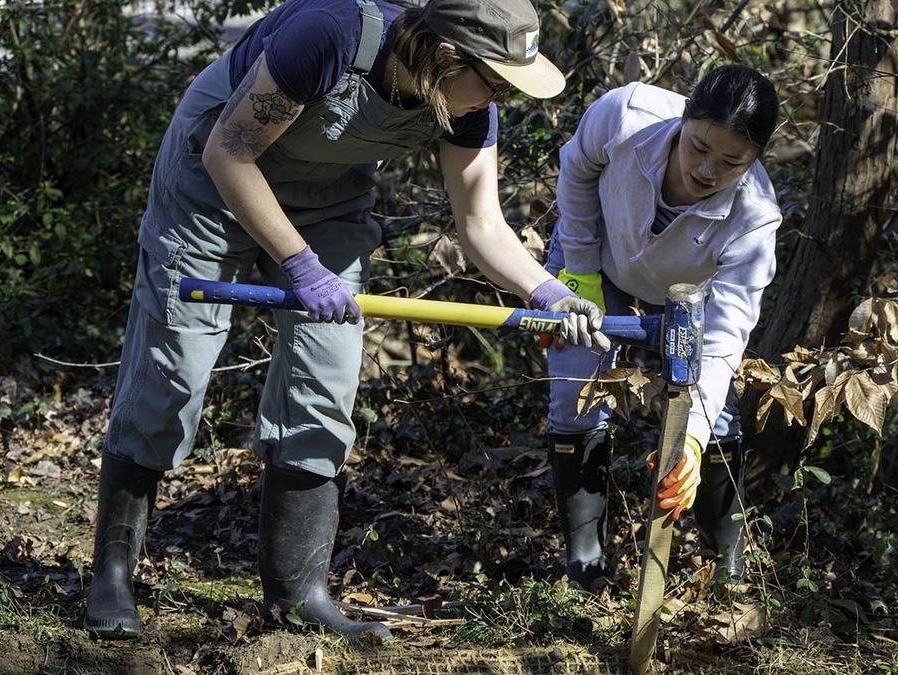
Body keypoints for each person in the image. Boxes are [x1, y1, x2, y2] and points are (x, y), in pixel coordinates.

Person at [83, 0, 608, 643]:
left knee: (324, 382)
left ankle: (300, 594)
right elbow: (231, 154)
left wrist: (547, 292)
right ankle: (111, 572)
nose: (496, 99)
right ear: (447, 55)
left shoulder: (469, 107)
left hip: (328, 205)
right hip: (212, 178)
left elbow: (479, 225)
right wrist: (299, 267)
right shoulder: (328, 36)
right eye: (494, 81)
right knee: (174, 372)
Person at [543, 65, 782, 591]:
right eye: (698, 147)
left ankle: (726, 564)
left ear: (756, 158)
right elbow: (577, 171)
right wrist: (578, 271)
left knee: (712, 421)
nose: (707, 169)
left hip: (686, 296)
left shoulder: (755, 219)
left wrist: (691, 441)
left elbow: (722, 341)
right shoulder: (626, 115)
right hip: (596, 256)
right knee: (573, 393)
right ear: (684, 119)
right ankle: (586, 559)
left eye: (731, 162)